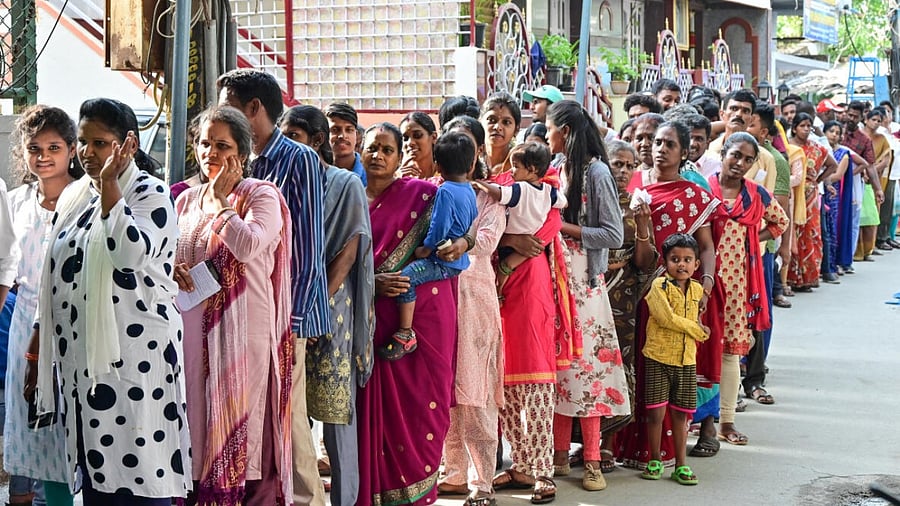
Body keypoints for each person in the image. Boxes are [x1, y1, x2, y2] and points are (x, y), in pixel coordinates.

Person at [23, 98, 191, 504]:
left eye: (100, 143)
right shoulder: (77, 196)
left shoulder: (148, 194)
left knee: (139, 474)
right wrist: (36, 351)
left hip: (135, 366)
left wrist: (112, 188)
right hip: (84, 371)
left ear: (128, 145)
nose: (88, 152)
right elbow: (56, 281)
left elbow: (128, 255)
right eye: (83, 142)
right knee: (99, 477)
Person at [217, 68, 328, 506]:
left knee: (291, 418)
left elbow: (307, 244)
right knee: (262, 419)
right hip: (244, 315)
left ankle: (308, 500)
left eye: (228, 106)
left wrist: (295, 319)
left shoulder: (298, 159)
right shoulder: (243, 161)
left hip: (287, 314)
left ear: (253, 108)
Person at [173, 105, 293, 505]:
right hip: (191, 328)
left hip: (243, 333)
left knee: (239, 425)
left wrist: (222, 204)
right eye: (204, 143)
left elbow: (248, 245)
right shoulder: (185, 201)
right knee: (196, 421)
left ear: (242, 154)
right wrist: (172, 268)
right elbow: (172, 253)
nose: (210, 152)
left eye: (221, 145)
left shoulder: (262, 195)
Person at [356, 122, 458, 506]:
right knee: (372, 416)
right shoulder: (347, 198)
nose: (378, 156)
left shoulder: (424, 195)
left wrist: (462, 241)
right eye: (372, 148)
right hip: (367, 321)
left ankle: (417, 494)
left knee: (420, 410)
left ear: (400, 158)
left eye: (387, 150)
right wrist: (371, 284)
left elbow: (464, 241)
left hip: (422, 322)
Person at [279, 105, 374, 506]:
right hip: (288, 306)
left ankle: (346, 499)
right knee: (292, 413)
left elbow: (349, 253)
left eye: (294, 138)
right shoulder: (281, 180)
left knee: (336, 416)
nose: (285, 147)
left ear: (316, 141)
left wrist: (316, 306)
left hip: (332, 309)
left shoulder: (344, 183)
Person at [618, 120, 720, 470]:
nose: (659, 148)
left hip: (680, 295)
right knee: (635, 365)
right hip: (635, 291)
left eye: (669, 144)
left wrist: (705, 285)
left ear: (684, 152)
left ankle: (660, 451)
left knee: (668, 367)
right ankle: (623, 445)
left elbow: (706, 247)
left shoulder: (693, 196)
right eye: (656, 142)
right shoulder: (633, 185)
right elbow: (640, 257)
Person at [544, 100, 628, 493]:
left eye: (549, 128)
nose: (546, 136)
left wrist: (570, 229)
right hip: (556, 279)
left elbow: (614, 234)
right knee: (561, 369)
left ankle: (591, 460)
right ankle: (560, 455)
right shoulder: (559, 169)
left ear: (566, 130)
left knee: (589, 372)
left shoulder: (596, 172)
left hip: (586, 285)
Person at [5, 105, 83, 506]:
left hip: (71, 326)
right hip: (24, 324)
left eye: (54, 147)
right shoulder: (16, 202)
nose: (44, 156)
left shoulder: (85, 199)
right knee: (24, 419)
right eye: (34, 147)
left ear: (72, 149)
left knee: (62, 430)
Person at [434, 116, 505, 506]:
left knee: (476, 395)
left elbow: (487, 242)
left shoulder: (492, 198)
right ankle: (453, 473)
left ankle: (483, 483)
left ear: (476, 152)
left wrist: (460, 242)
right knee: (445, 391)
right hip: (440, 300)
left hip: (475, 301)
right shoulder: (434, 190)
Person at [709, 132, 789, 445]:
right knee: (699, 353)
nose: (740, 163)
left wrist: (754, 239)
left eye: (747, 159)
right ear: (723, 153)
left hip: (739, 285)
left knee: (730, 354)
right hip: (702, 282)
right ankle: (696, 419)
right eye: (735, 155)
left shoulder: (756, 195)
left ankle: (726, 421)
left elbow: (779, 223)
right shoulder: (705, 189)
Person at [378, 132, 478, 360]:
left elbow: (439, 226)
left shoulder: (445, 191)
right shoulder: (469, 189)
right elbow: (472, 219)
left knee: (405, 278)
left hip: (441, 260)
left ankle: (405, 332)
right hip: (458, 260)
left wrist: (426, 248)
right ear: (471, 164)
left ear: (438, 165)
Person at [595, 140, 657, 471]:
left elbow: (645, 263)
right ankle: (585, 443)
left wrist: (644, 227)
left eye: (629, 165)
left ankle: (607, 445)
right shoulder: (589, 202)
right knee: (588, 367)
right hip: (589, 292)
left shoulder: (636, 206)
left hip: (622, 302)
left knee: (616, 368)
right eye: (616, 163)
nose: (623, 171)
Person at [640, 233, 709, 485]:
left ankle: (681, 464)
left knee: (682, 415)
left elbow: (697, 320)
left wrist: (700, 327)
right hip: (658, 357)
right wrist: (697, 331)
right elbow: (665, 319)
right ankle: (655, 459)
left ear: (696, 265)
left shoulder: (698, 290)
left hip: (686, 360)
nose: (681, 264)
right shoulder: (659, 287)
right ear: (665, 262)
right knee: (656, 414)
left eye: (687, 259)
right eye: (675, 259)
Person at [474, 141, 567, 292]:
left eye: (516, 166)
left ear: (532, 169)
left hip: (511, 242)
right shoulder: (549, 191)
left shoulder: (520, 189)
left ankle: (498, 291)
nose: (511, 171)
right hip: (532, 240)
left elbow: (499, 193)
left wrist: (480, 184)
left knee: (501, 273)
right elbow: (564, 203)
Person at [788, 113, 838, 291]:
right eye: (802, 126)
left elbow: (833, 165)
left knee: (811, 235)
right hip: (791, 193)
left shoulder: (817, 148)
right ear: (794, 128)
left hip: (810, 196)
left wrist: (818, 180)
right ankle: (790, 277)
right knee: (792, 232)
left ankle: (808, 277)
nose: (807, 129)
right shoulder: (787, 147)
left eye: (809, 126)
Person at [326, 102, 367, 184]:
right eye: (335, 130)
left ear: (356, 134)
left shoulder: (370, 173)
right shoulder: (315, 171)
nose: (342, 136)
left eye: (349, 130)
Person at [481, 92, 521, 176]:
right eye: (491, 120)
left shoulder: (522, 166)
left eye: (506, 122)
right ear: (480, 122)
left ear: (516, 130)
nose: (497, 127)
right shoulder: (469, 162)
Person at [398, 112, 439, 179]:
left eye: (417, 135)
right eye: (405, 138)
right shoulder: (396, 178)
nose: (410, 143)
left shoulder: (447, 175)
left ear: (434, 137)